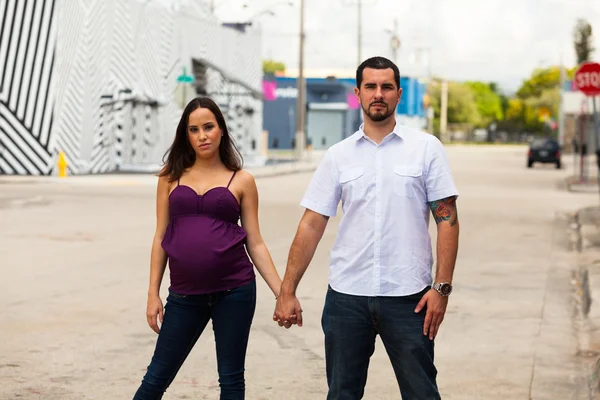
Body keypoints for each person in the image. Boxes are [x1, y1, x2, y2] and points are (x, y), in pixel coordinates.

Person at [273, 56, 460, 400]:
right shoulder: (338, 156)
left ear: (399, 94)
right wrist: (287, 290)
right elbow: (312, 225)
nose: (379, 94)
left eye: (386, 87)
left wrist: (442, 288)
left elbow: (447, 220)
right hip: (347, 298)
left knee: (422, 393)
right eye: (371, 87)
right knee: (342, 394)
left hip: (410, 300)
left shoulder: (425, 149)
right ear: (357, 93)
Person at [133, 97, 282, 399]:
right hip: (185, 295)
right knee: (155, 380)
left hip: (235, 292)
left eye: (208, 127)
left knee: (231, 381)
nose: (202, 135)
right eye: (193, 129)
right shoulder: (169, 178)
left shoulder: (242, 180)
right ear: (185, 135)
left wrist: (283, 292)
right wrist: (153, 293)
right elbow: (160, 236)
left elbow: (255, 241)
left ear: (221, 130)